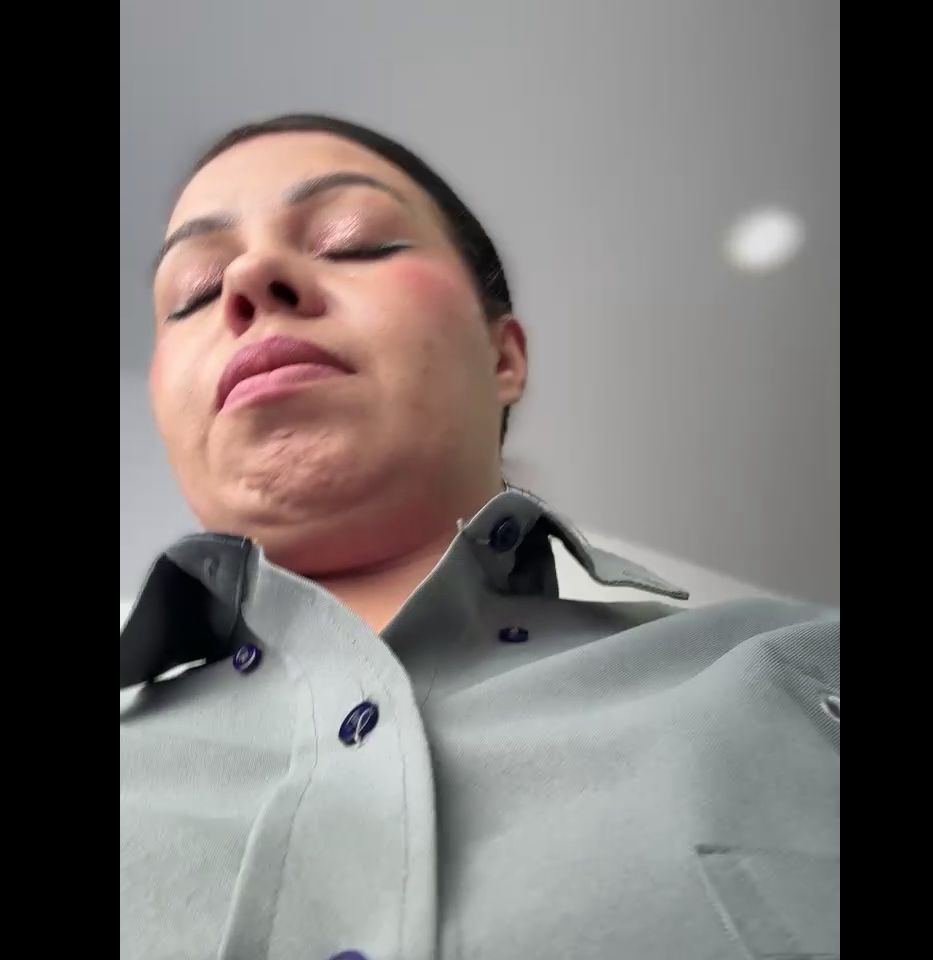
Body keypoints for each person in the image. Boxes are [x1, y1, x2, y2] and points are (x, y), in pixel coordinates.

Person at [120, 115, 839, 960]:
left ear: (504, 357)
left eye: (353, 241)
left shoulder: (809, 674)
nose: (249, 277)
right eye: (194, 292)